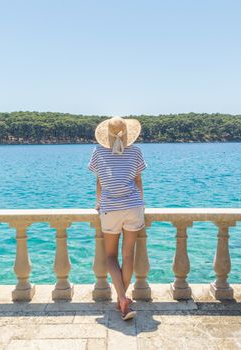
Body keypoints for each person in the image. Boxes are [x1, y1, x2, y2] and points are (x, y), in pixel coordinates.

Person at [88, 116, 147, 321]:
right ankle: (124, 299)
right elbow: (138, 182)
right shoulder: (136, 152)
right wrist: (141, 202)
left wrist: (98, 202)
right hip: (133, 207)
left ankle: (121, 298)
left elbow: (100, 183)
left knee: (111, 257)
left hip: (110, 209)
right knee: (128, 255)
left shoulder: (98, 152)